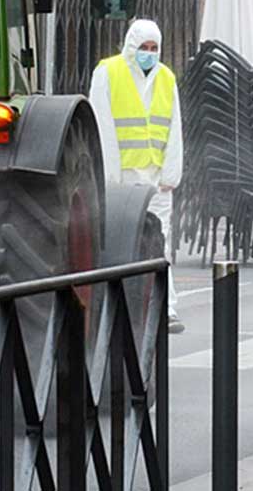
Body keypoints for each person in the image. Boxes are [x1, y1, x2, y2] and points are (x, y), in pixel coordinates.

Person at [88, 19, 184, 334]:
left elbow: (174, 130)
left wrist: (171, 174)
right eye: (144, 47)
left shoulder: (166, 78)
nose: (149, 53)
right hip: (123, 178)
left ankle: (165, 307)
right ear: (131, 46)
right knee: (120, 242)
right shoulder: (108, 72)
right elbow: (101, 127)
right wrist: (110, 178)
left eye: (154, 48)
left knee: (160, 242)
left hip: (156, 179)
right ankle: (120, 309)